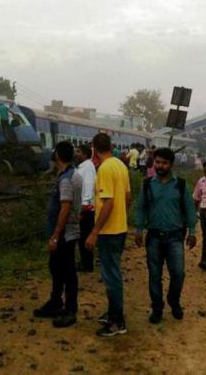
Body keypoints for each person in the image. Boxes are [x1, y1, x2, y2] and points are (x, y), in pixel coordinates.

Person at [135, 147, 197, 324]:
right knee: (154, 275)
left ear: (171, 164)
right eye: (157, 162)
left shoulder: (181, 185)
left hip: (175, 237)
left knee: (178, 273)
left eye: (164, 163)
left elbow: (189, 209)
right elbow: (141, 208)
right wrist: (138, 229)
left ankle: (173, 300)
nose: (160, 166)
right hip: (154, 237)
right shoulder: (147, 184)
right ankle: (157, 308)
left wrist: (192, 232)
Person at [85, 133, 131, 337]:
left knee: (111, 275)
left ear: (94, 148)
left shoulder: (104, 168)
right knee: (113, 273)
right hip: (120, 228)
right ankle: (113, 312)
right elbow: (127, 197)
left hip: (108, 231)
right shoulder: (121, 165)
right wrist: (122, 217)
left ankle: (116, 321)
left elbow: (109, 202)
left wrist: (94, 232)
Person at [34, 141, 82, 328]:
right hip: (67, 232)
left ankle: (70, 310)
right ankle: (55, 302)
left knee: (67, 272)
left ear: (57, 156)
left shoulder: (66, 179)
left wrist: (55, 235)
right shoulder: (70, 175)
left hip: (64, 234)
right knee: (56, 268)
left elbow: (65, 207)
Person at [74, 144, 96, 272]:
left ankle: (87, 264)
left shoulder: (87, 167)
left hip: (86, 209)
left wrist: (85, 205)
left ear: (85, 154)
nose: (76, 153)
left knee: (84, 237)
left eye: (78, 151)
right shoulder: (85, 166)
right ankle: (85, 261)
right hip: (85, 207)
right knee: (82, 237)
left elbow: (88, 186)